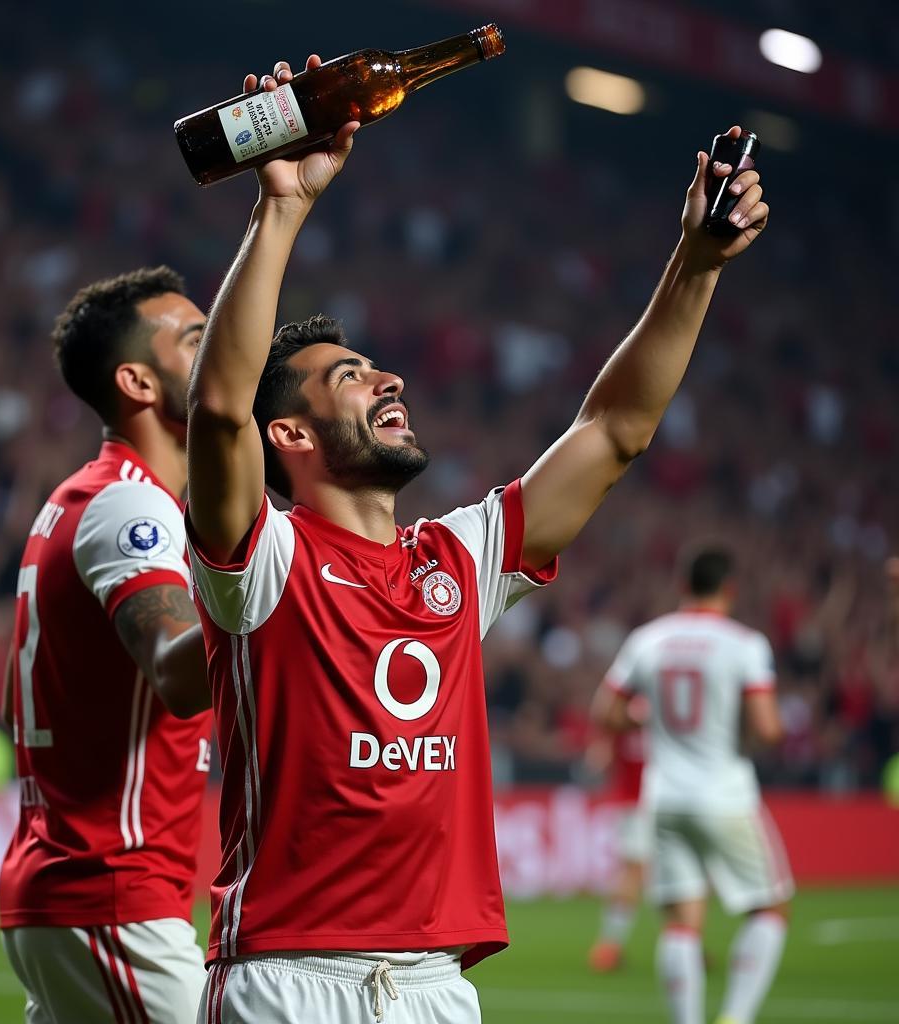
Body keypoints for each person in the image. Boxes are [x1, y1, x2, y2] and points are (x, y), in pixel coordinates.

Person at [184, 52, 770, 1024]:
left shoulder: (459, 557)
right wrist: (279, 205)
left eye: (378, 368)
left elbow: (612, 432)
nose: (388, 382)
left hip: (435, 985)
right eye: (349, 378)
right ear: (287, 435)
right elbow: (217, 410)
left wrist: (694, 266)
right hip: (290, 978)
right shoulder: (261, 561)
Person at [0, 267, 214, 1023]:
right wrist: (285, 612)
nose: (220, 346)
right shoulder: (129, 506)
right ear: (139, 382)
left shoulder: (79, 501)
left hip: (73, 892)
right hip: (108, 894)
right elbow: (178, 673)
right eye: (194, 338)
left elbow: (14, 700)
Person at [597, 547, 793, 1024]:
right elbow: (767, 728)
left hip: (664, 798)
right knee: (770, 909)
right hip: (725, 794)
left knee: (681, 923)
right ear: (730, 589)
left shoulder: (649, 639)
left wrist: (651, 724)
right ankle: (736, 1016)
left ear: (683, 586)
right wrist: (749, 733)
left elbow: (606, 713)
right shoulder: (744, 644)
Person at [585, 714, 651, 972]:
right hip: (651, 804)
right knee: (637, 872)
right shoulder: (662, 714)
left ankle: (688, 945)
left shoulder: (623, 716)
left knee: (637, 872)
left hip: (632, 804)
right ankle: (608, 946)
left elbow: (596, 761)